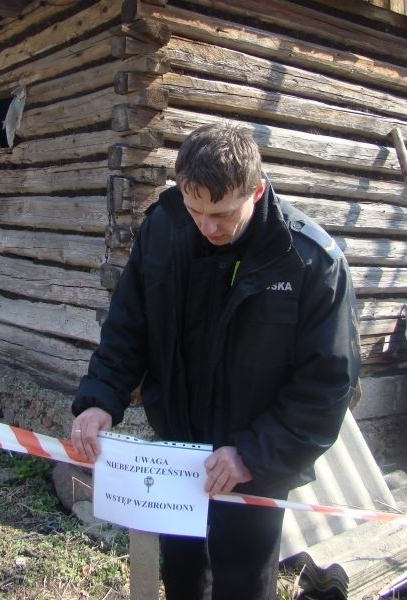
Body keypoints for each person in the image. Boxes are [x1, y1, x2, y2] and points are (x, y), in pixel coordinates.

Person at [71, 124, 361, 599]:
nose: (207, 227)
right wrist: (101, 398)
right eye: (195, 209)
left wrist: (251, 454)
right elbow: (129, 326)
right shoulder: (163, 229)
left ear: (257, 190)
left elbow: (327, 385)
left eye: (222, 214)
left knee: (242, 585)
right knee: (182, 577)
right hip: (178, 453)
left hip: (253, 464)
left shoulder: (310, 263)